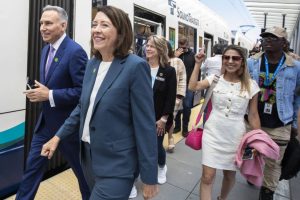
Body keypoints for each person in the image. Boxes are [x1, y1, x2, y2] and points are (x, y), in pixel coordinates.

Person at [41, 6, 158, 200]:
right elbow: (82, 107)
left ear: (120, 32)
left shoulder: (135, 67)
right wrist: (57, 137)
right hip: (88, 159)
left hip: (117, 165)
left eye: (104, 25)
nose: (96, 29)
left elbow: (145, 125)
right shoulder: (92, 64)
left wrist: (149, 177)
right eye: (94, 24)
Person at [17, 5, 90, 200]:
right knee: (31, 171)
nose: (42, 27)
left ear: (63, 25)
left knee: (83, 175)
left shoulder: (76, 52)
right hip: (45, 126)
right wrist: (40, 94)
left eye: (48, 23)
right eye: (41, 23)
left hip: (68, 128)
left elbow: (83, 92)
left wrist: (50, 95)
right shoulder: (44, 50)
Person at [189, 45, 261, 200]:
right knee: (207, 177)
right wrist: (197, 64)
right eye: (226, 57)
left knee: (229, 175)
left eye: (235, 58)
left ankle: (222, 198)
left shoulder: (251, 85)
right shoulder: (214, 79)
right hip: (212, 133)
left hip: (236, 137)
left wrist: (258, 140)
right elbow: (192, 86)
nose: (230, 61)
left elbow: (254, 115)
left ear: (242, 61)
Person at [247, 26, 300, 200]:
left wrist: (293, 123)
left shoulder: (296, 67)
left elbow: (297, 97)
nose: (267, 40)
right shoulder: (251, 62)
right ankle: (252, 173)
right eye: (265, 37)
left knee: (274, 162)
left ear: (284, 42)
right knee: (250, 155)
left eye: (273, 38)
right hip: (253, 121)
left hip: (280, 122)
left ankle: (267, 192)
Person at [145, 35, 177, 184]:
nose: (148, 48)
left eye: (152, 46)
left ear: (160, 50)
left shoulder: (169, 71)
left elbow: (170, 98)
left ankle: (161, 166)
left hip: (158, 118)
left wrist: (163, 119)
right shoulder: (140, 66)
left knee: (157, 146)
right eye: (147, 45)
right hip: (140, 115)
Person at [166, 41, 186, 153]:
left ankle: (170, 138)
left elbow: (182, 79)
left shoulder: (177, 61)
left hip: (173, 97)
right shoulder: (154, 61)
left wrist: (179, 96)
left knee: (170, 118)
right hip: (157, 96)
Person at [174, 36, 196, 137]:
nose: (182, 48)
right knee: (176, 106)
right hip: (176, 84)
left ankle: (185, 128)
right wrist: (175, 57)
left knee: (187, 107)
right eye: (180, 46)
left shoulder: (192, 56)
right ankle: (177, 126)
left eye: (184, 46)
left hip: (188, 85)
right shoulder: (175, 54)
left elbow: (197, 71)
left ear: (187, 45)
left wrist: (195, 84)